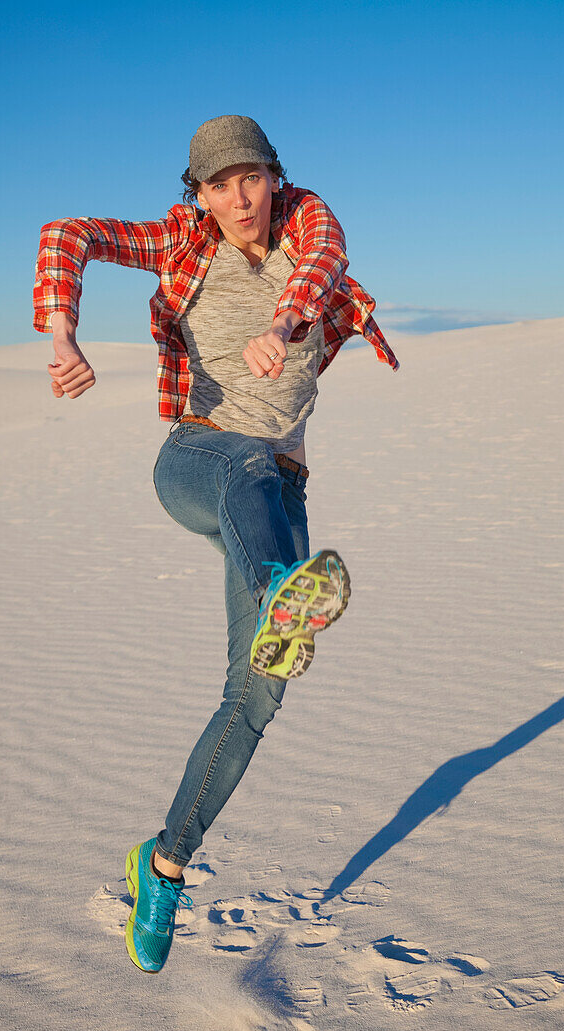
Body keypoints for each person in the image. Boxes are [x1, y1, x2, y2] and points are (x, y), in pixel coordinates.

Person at [33, 114, 399, 972]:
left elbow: (321, 260)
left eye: (250, 178)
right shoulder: (178, 240)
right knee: (245, 461)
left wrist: (287, 318)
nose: (237, 198)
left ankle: (162, 864)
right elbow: (68, 234)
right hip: (199, 456)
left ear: (274, 177)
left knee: (258, 693)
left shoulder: (307, 222)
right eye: (216, 184)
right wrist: (61, 334)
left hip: (279, 491)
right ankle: (281, 584)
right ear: (195, 193)